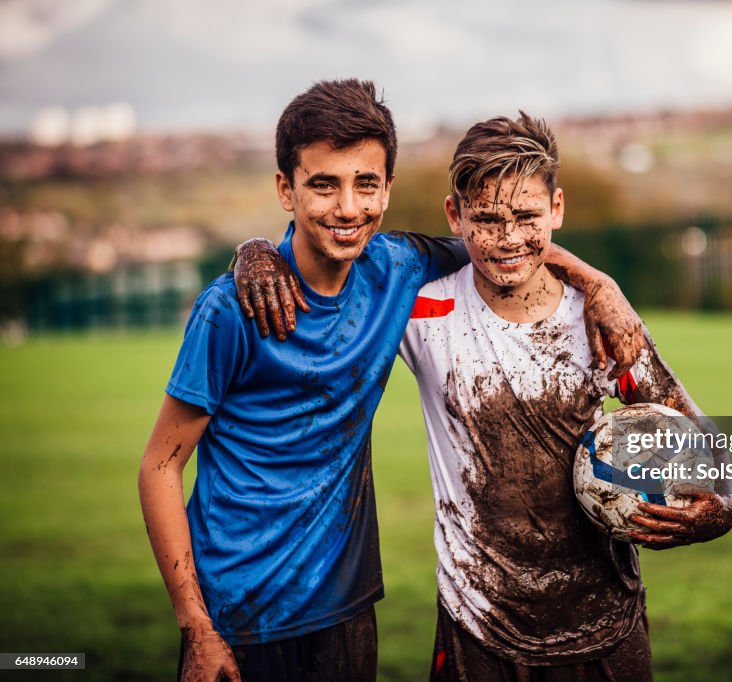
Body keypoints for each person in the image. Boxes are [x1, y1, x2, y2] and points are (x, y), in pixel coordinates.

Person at [138, 80, 644, 682]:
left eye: (366, 183)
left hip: (347, 605)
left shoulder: (398, 269)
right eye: (323, 184)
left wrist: (598, 281)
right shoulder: (232, 310)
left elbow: (506, 243)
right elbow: (159, 466)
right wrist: (196, 626)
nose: (348, 207)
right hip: (236, 613)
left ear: (388, 189)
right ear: (285, 189)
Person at [398, 112, 732, 680]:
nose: (508, 239)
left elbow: (697, 437)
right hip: (479, 625)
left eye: (527, 216)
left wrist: (718, 510)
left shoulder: (598, 321)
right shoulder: (423, 313)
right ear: (455, 215)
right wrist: (255, 251)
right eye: (486, 218)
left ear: (557, 208)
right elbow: (328, 274)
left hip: (607, 621)